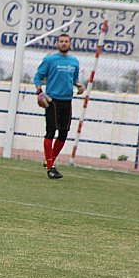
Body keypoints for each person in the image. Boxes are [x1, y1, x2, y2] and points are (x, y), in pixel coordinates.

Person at [34, 33, 84, 179]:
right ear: (57, 43)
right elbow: (38, 76)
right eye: (61, 41)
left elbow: (74, 79)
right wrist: (39, 92)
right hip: (52, 100)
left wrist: (79, 86)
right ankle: (50, 168)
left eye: (66, 41)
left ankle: (49, 160)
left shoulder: (74, 61)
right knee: (50, 132)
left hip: (67, 101)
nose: (63, 43)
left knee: (63, 133)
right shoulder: (50, 59)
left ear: (70, 43)